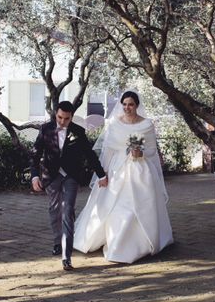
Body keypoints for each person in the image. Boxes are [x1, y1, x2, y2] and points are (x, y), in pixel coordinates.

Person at [73, 91, 173, 263]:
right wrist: (102, 174)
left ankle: (142, 243)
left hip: (141, 170)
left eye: (131, 104)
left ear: (137, 105)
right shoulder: (113, 123)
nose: (127, 108)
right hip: (117, 170)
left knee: (142, 204)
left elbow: (151, 150)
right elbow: (108, 151)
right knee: (115, 207)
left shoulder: (147, 125)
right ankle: (116, 241)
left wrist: (140, 152)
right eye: (125, 104)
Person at [30, 101, 108, 271]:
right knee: (54, 209)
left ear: (72, 117)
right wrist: (34, 176)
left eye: (66, 118)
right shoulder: (45, 129)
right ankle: (57, 241)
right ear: (55, 114)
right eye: (59, 117)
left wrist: (101, 174)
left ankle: (67, 256)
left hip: (71, 176)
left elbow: (89, 154)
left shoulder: (78, 132)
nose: (62, 121)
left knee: (68, 211)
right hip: (51, 176)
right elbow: (35, 155)